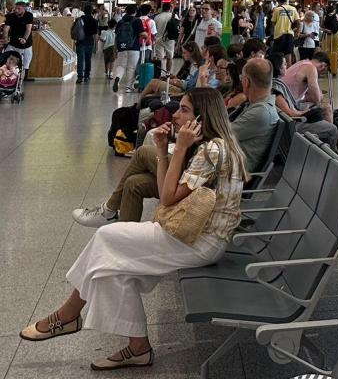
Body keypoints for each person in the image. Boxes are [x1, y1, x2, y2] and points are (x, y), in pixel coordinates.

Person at [27, 88, 247, 370]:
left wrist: (179, 148)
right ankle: (137, 348)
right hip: (194, 234)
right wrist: (161, 147)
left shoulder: (213, 149)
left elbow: (167, 197)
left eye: (185, 110)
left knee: (106, 237)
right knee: (113, 271)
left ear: (202, 118)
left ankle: (68, 315)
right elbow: (169, 186)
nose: (176, 115)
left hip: (198, 241)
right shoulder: (215, 144)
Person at [74, 60, 279, 227]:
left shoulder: (260, 112)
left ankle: (109, 210)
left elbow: (217, 130)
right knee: (133, 183)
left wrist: (180, 141)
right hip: (210, 170)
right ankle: (121, 232)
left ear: (246, 82)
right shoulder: (258, 107)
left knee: (145, 152)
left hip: (213, 178)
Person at [111, 5, 143, 93]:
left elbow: (117, 37)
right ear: (135, 12)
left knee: (121, 65)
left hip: (122, 47)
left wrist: (115, 49)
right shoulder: (137, 21)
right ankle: (128, 87)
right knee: (131, 68)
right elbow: (142, 34)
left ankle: (118, 78)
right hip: (134, 47)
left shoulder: (121, 22)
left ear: (126, 11)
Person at [2, 0, 34, 78]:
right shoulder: (11, 16)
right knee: (4, 59)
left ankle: (23, 78)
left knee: (26, 63)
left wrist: (24, 38)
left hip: (26, 44)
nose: (16, 10)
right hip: (13, 43)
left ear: (24, 9)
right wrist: (5, 38)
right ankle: (4, 77)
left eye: (19, 9)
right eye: (15, 8)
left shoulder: (28, 15)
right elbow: (6, 28)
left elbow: (28, 29)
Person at [271, 0, 299, 66]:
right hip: (290, 35)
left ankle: (278, 73)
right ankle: (288, 73)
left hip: (279, 35)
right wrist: (297, 32)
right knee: (288, 55)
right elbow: (298, 21)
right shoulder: (293, 9)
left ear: (278, 1)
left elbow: (273, 22)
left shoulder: (277, 9)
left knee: (278, 56)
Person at [74, 4, 99, 84]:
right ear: (92, 11)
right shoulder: (94, 21)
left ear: (84, 11)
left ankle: (80, 76)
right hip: (90, 42)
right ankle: (87, 75)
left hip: (80, 41)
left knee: (80, 60)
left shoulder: (79, 19)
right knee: (88, 59)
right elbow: (95, 34)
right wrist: (96, 44)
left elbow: (76, 30)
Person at [152, 3, 176, 76]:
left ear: (162, 8)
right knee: (170, 57)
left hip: (158, 39)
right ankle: (168, 73)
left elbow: (154, 29)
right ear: (170, 8)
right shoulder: (174, 16)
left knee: (159, 58)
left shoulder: (157, 17)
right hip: (170, 39)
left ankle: (158, 74)